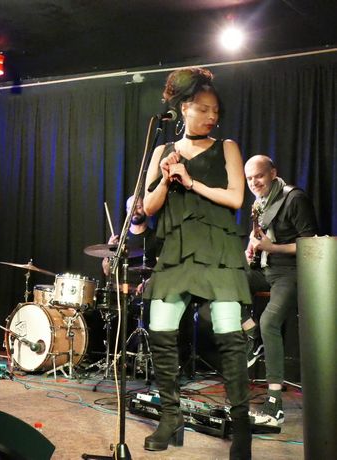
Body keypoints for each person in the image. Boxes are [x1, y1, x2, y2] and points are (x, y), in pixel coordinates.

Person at [141, 68, 252, 458]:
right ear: (184, 108)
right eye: (203, 109)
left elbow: (236, 198)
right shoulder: (162, 152)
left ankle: (241, 428)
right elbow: (148, 207)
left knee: (229, 336)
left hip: (218, 248)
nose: (211, 116)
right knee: (160, 329)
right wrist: (166, 179)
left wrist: (191, 182)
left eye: (215, 111)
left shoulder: (227, 147)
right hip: (176, 248)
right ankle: (170, 417)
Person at [242, 155, 318, 427]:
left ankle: (274, 406)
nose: (254, 183)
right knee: (223, 278)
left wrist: (272, 248)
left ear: (273, 173)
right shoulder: (260, 202)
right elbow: (259, 235)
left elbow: (312, 244)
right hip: (265, 269)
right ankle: (252, 335)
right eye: (249, 179)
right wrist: (250, 246)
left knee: (269, 322)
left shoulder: (294, 198)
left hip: (291, 272)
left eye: (259, 176)